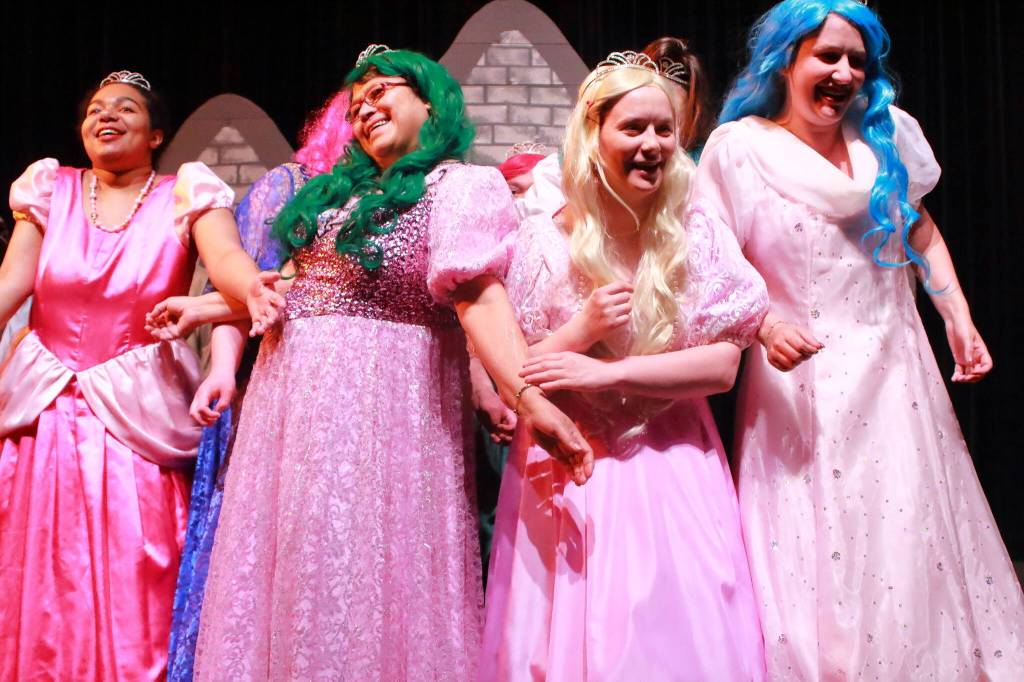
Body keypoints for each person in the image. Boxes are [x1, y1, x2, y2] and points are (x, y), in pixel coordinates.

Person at [192, 46, 592, 680]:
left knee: (360, 570)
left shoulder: (460, 186)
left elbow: (479, 301)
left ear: (429, 103)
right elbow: (303, 293)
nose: (365, 109)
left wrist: (527, 395)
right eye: (356, 106)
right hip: (289, 411)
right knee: (298, 565)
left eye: (382, 92)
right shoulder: (333, 199)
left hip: (380, 411)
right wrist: (209, 310)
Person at [692, 1, 1024, 678]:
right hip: (799, 378)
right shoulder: (739, 149)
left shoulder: (885, 137)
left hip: (895, 369)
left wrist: (956, 315)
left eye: (856, 61)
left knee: (906, 534)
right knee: (816, 540)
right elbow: (709, 258)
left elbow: (919, 229)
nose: (844, 72)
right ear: (785, 60)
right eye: (828, 56)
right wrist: (761, 323)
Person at [479, 51, 768, 680]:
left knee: (674, 630)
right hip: (572, 469)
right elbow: (515, 374)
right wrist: (581, 332)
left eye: (663, 130)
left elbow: (721, 367)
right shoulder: (542, 243)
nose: (651, 144)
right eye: (632, 128)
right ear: (594, 133)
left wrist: (606, 372)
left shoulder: (696, 234)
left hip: (674, 463)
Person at [0, 71, 280, 681]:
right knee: (38, 573)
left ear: (155, 135)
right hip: (43, 415)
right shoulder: (50, 189)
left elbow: (228, 261)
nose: (107, 116)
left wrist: (250, 286)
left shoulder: (187, 193)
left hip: (136, 419)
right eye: (96, 109)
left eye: (125, 108)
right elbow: (12, 283)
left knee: (136, 567)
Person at [164, 89, 354, 682]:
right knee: (284, 551)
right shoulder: (289, 185)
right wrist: (223, 368)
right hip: (289, 389)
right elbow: (253, 284)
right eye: (359, 107)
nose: (372, 117)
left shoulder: (413, 193)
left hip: (373, 400)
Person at [522, 36, 712, 221]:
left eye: (665, 126)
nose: (651, 143)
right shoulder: (557, 173)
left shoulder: (703, 178)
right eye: (634, 127)